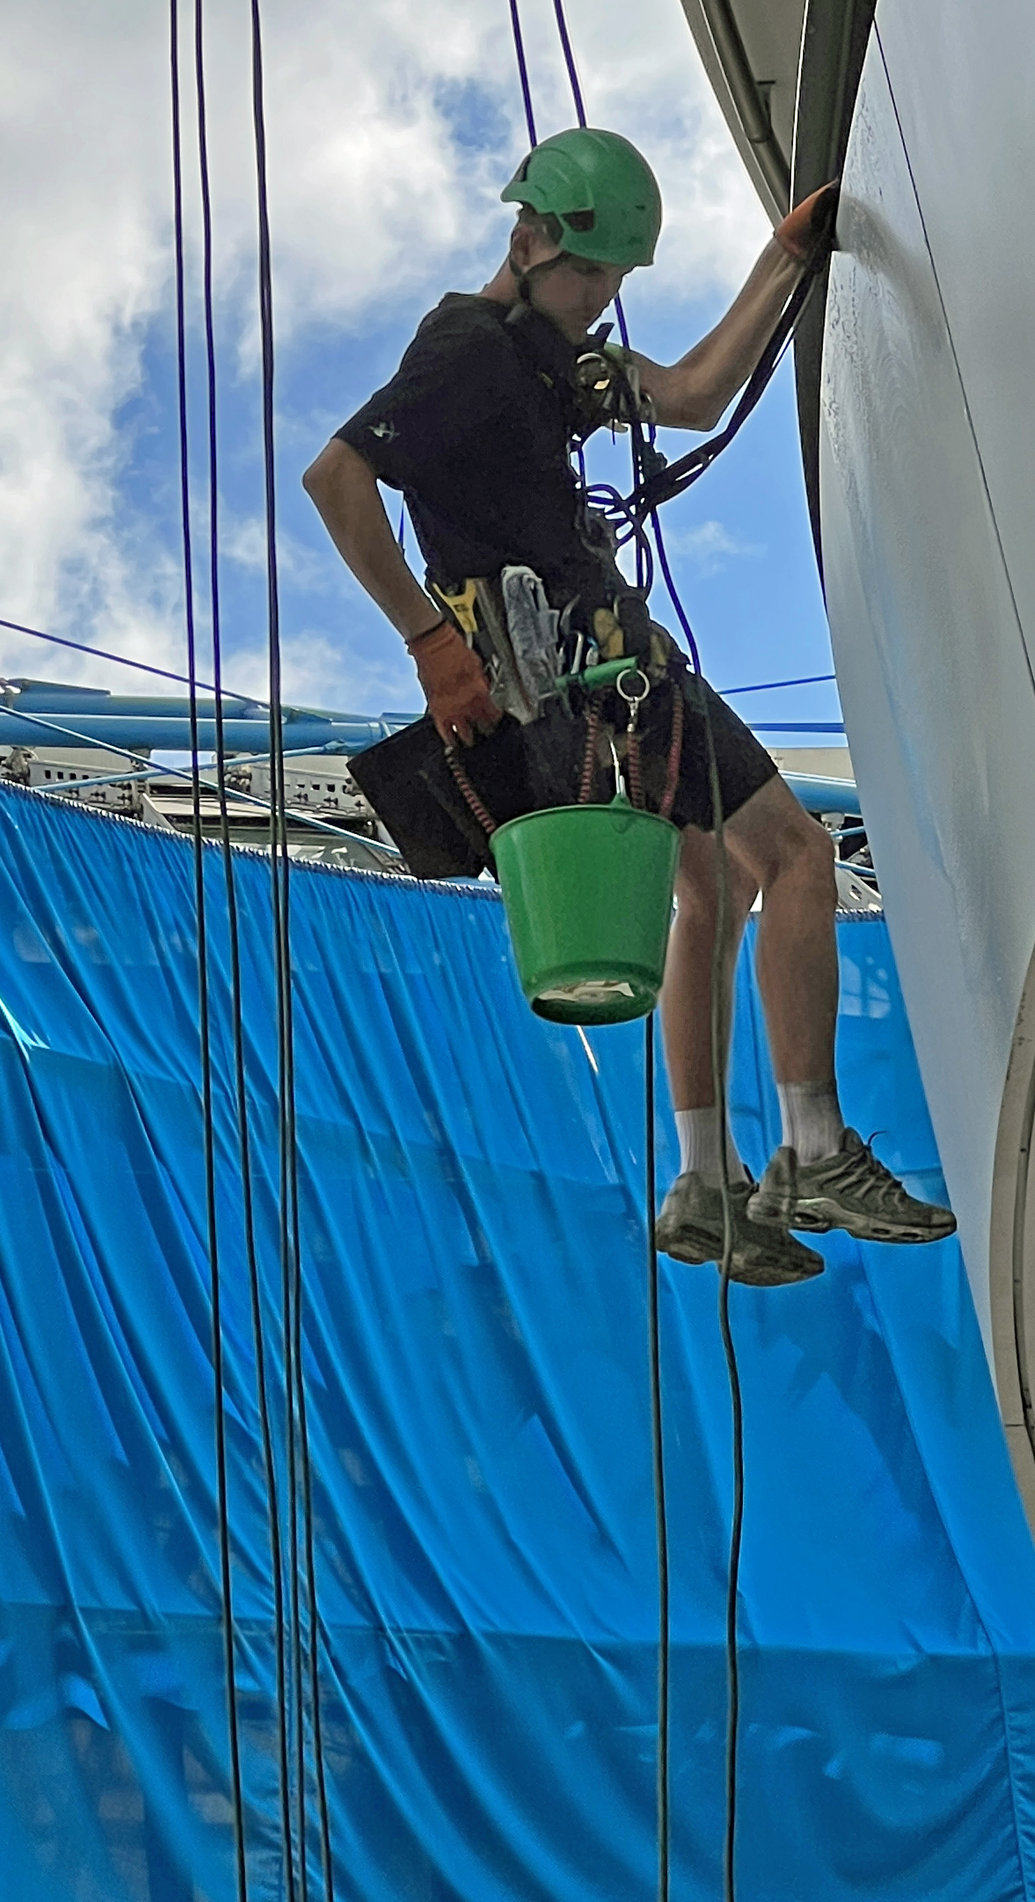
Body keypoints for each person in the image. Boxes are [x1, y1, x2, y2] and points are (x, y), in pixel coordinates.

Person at [303, 128, 954, 1285]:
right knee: (797, 856)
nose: (602, 302)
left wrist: (783, 261)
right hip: (596, 671)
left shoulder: (556, 360)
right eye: (591, 275)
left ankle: (703, 1183)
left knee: (713, 885)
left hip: (577, 687)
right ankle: (812, 1147)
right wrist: (426, 642)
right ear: (529, 238)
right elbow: (337, 477)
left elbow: (693, 396)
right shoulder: (467, 350)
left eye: (615, 283)